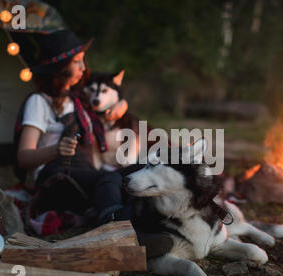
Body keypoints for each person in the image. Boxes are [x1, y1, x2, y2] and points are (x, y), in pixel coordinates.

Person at [16, 29, 172, 257]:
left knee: (142, 171)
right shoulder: (39, 102)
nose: (83, 68)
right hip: (56, 177)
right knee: (111, 178)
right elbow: (23, 157)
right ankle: (119, 234)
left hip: (86, 173)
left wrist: (122, 105)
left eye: (82, 61)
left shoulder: (78, 100)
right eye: (76, 62)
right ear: (59, 68)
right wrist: (55, 150)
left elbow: (109, 97)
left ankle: (153, 227)